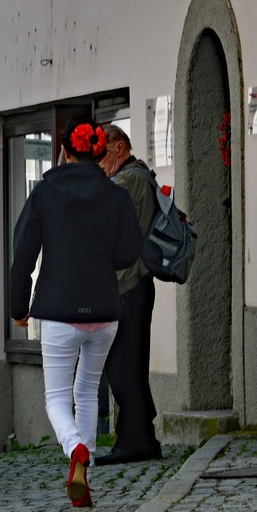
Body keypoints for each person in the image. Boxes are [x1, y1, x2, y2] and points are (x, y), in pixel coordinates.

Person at [9, 123, 142, 507]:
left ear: (65, 152)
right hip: (104, 308)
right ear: (100, 152)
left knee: (55, 397)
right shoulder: (114, 195)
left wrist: (19, 307)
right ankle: (84, 473)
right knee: (87, 391)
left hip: (59, 308)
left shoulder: (46, 192)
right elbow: (129, 251)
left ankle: (75, 450)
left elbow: (24, 254)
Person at [96, 124, 164, 465]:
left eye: (102, 155)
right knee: (126, 364)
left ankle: (136, 439)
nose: (99, 164)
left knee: (123, 366)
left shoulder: (130, 180)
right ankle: (139, 436)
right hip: (127, 284)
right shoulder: (127, 178)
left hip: (130, 284)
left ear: (119, 148)